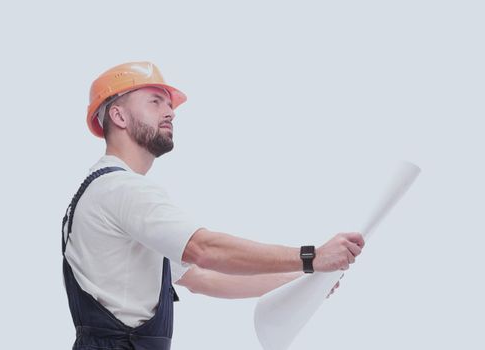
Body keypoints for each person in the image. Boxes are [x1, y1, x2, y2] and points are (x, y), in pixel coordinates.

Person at [62, 61, 365, 350]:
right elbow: (205, 250)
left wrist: (303, 281)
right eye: (155, 102)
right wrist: (312, 257)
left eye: (169, 105)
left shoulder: (105, 190)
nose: (170, 112)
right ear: (119, 116)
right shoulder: (122, 189)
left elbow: (202, 278)